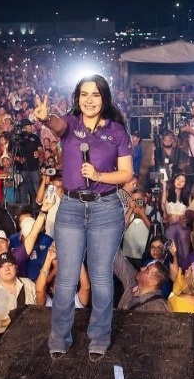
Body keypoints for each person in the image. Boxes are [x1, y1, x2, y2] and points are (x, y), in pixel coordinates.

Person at [33, 75, 133, 361]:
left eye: (96, 95)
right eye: (84, 94)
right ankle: (59, 337)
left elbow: (126, 174)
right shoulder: (71, 123)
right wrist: (45, 118)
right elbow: (56, 124)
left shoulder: (117, 132)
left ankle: (99, 337)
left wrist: (100, 176)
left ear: (105, 98)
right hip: (71, 208)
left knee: (101, 278)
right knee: (65, 278)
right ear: (77, 98)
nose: (89, 100)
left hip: (106, 208)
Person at [0, 252, 37, 343]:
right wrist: (3, 323)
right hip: (0, 341)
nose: (7, 269)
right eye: (2, 266)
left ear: (16, 267)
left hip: (29, 336)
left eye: (10, 265)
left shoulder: (28, 284)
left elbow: (40, 309)